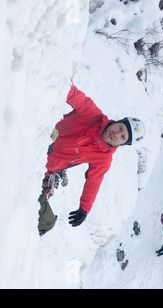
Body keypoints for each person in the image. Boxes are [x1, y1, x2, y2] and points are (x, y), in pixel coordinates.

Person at [37, 80, 145, 236]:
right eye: (120, 128)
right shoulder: (92, 115)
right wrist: (62, 73)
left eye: (122, 137)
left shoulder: (104, 158)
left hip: (43, 169)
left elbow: (93, 182)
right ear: (118, 122)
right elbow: (73, 94)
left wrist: (84, 209)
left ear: (122, 144)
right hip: (37, 136)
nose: (116, 134)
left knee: (47, 223)